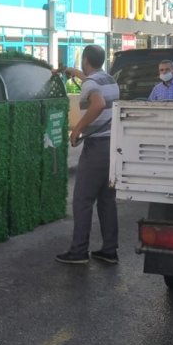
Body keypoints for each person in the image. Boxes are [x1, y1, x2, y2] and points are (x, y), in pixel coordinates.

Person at [53, 44, 119, 265]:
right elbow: (91, 83)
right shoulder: (109, 79)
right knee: (107, 200)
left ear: (86, 60)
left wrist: (78, 127)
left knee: (82, 200)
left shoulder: (92, 83)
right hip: (113, 147)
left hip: (97, 147)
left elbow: (98, 103)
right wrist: (71, 71)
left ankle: (79, 251)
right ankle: (110, 250)